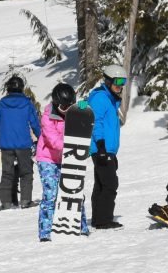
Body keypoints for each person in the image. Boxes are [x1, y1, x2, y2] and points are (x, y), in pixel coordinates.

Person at [35, 83, 88, 241]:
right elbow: (53, 141)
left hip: (67, 158)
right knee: (51, 195)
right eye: (64, 106)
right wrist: (72, 146)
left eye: (70, 105)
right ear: (56, 104)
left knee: (75, 191)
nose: (67, 109)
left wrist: (84, 107)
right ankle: (45, 232)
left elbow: (89, 114)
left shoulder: (74, 111)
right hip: (47, 159)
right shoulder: (47, 116)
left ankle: (81, 226)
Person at [88, 64, 128, 229]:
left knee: (101, 184)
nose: (120, 85)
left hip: (105, 150)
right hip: (101, 149)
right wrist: (101, 146)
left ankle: (99, 219)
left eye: (123, 82)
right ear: (108, 80)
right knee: (110, 184)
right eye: (117, 81)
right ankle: (104, 220)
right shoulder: (101, 98)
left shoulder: (110, 100)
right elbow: (95, 122)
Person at [0, 75, 40, 210]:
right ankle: (25, 201)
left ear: (8, 88)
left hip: (6, 144)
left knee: (7, 173)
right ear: (21, 88)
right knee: (26, 172)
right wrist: (40, 137)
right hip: (23, 143)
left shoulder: (1, 103)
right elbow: (35, 123)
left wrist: (4, 131)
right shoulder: (27, 103)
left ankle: (6, 203)